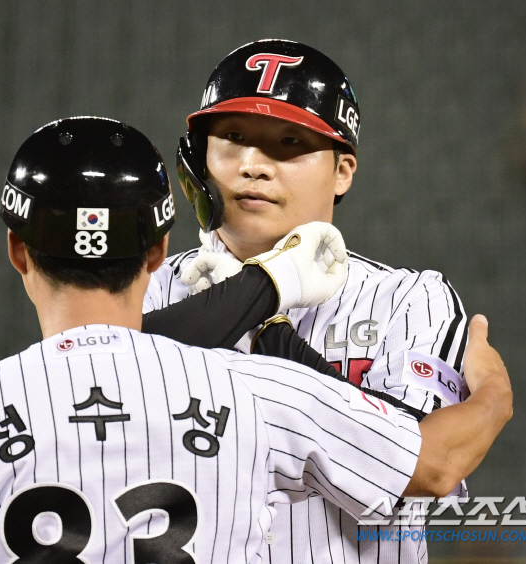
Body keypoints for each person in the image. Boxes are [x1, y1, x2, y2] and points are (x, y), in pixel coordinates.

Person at [0, 117, 512, 564]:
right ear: (158, 250)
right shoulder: (255, 392)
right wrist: (491, 391)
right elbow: (435, 463)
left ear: (16, 250)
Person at [144, 39, 472, 563]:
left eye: (289, 143)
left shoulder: (407, 300)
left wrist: (267, 324)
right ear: (197, 160)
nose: (253, 165)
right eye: (231, 138)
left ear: (343, 171)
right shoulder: (148, 287)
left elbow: (421, 471)